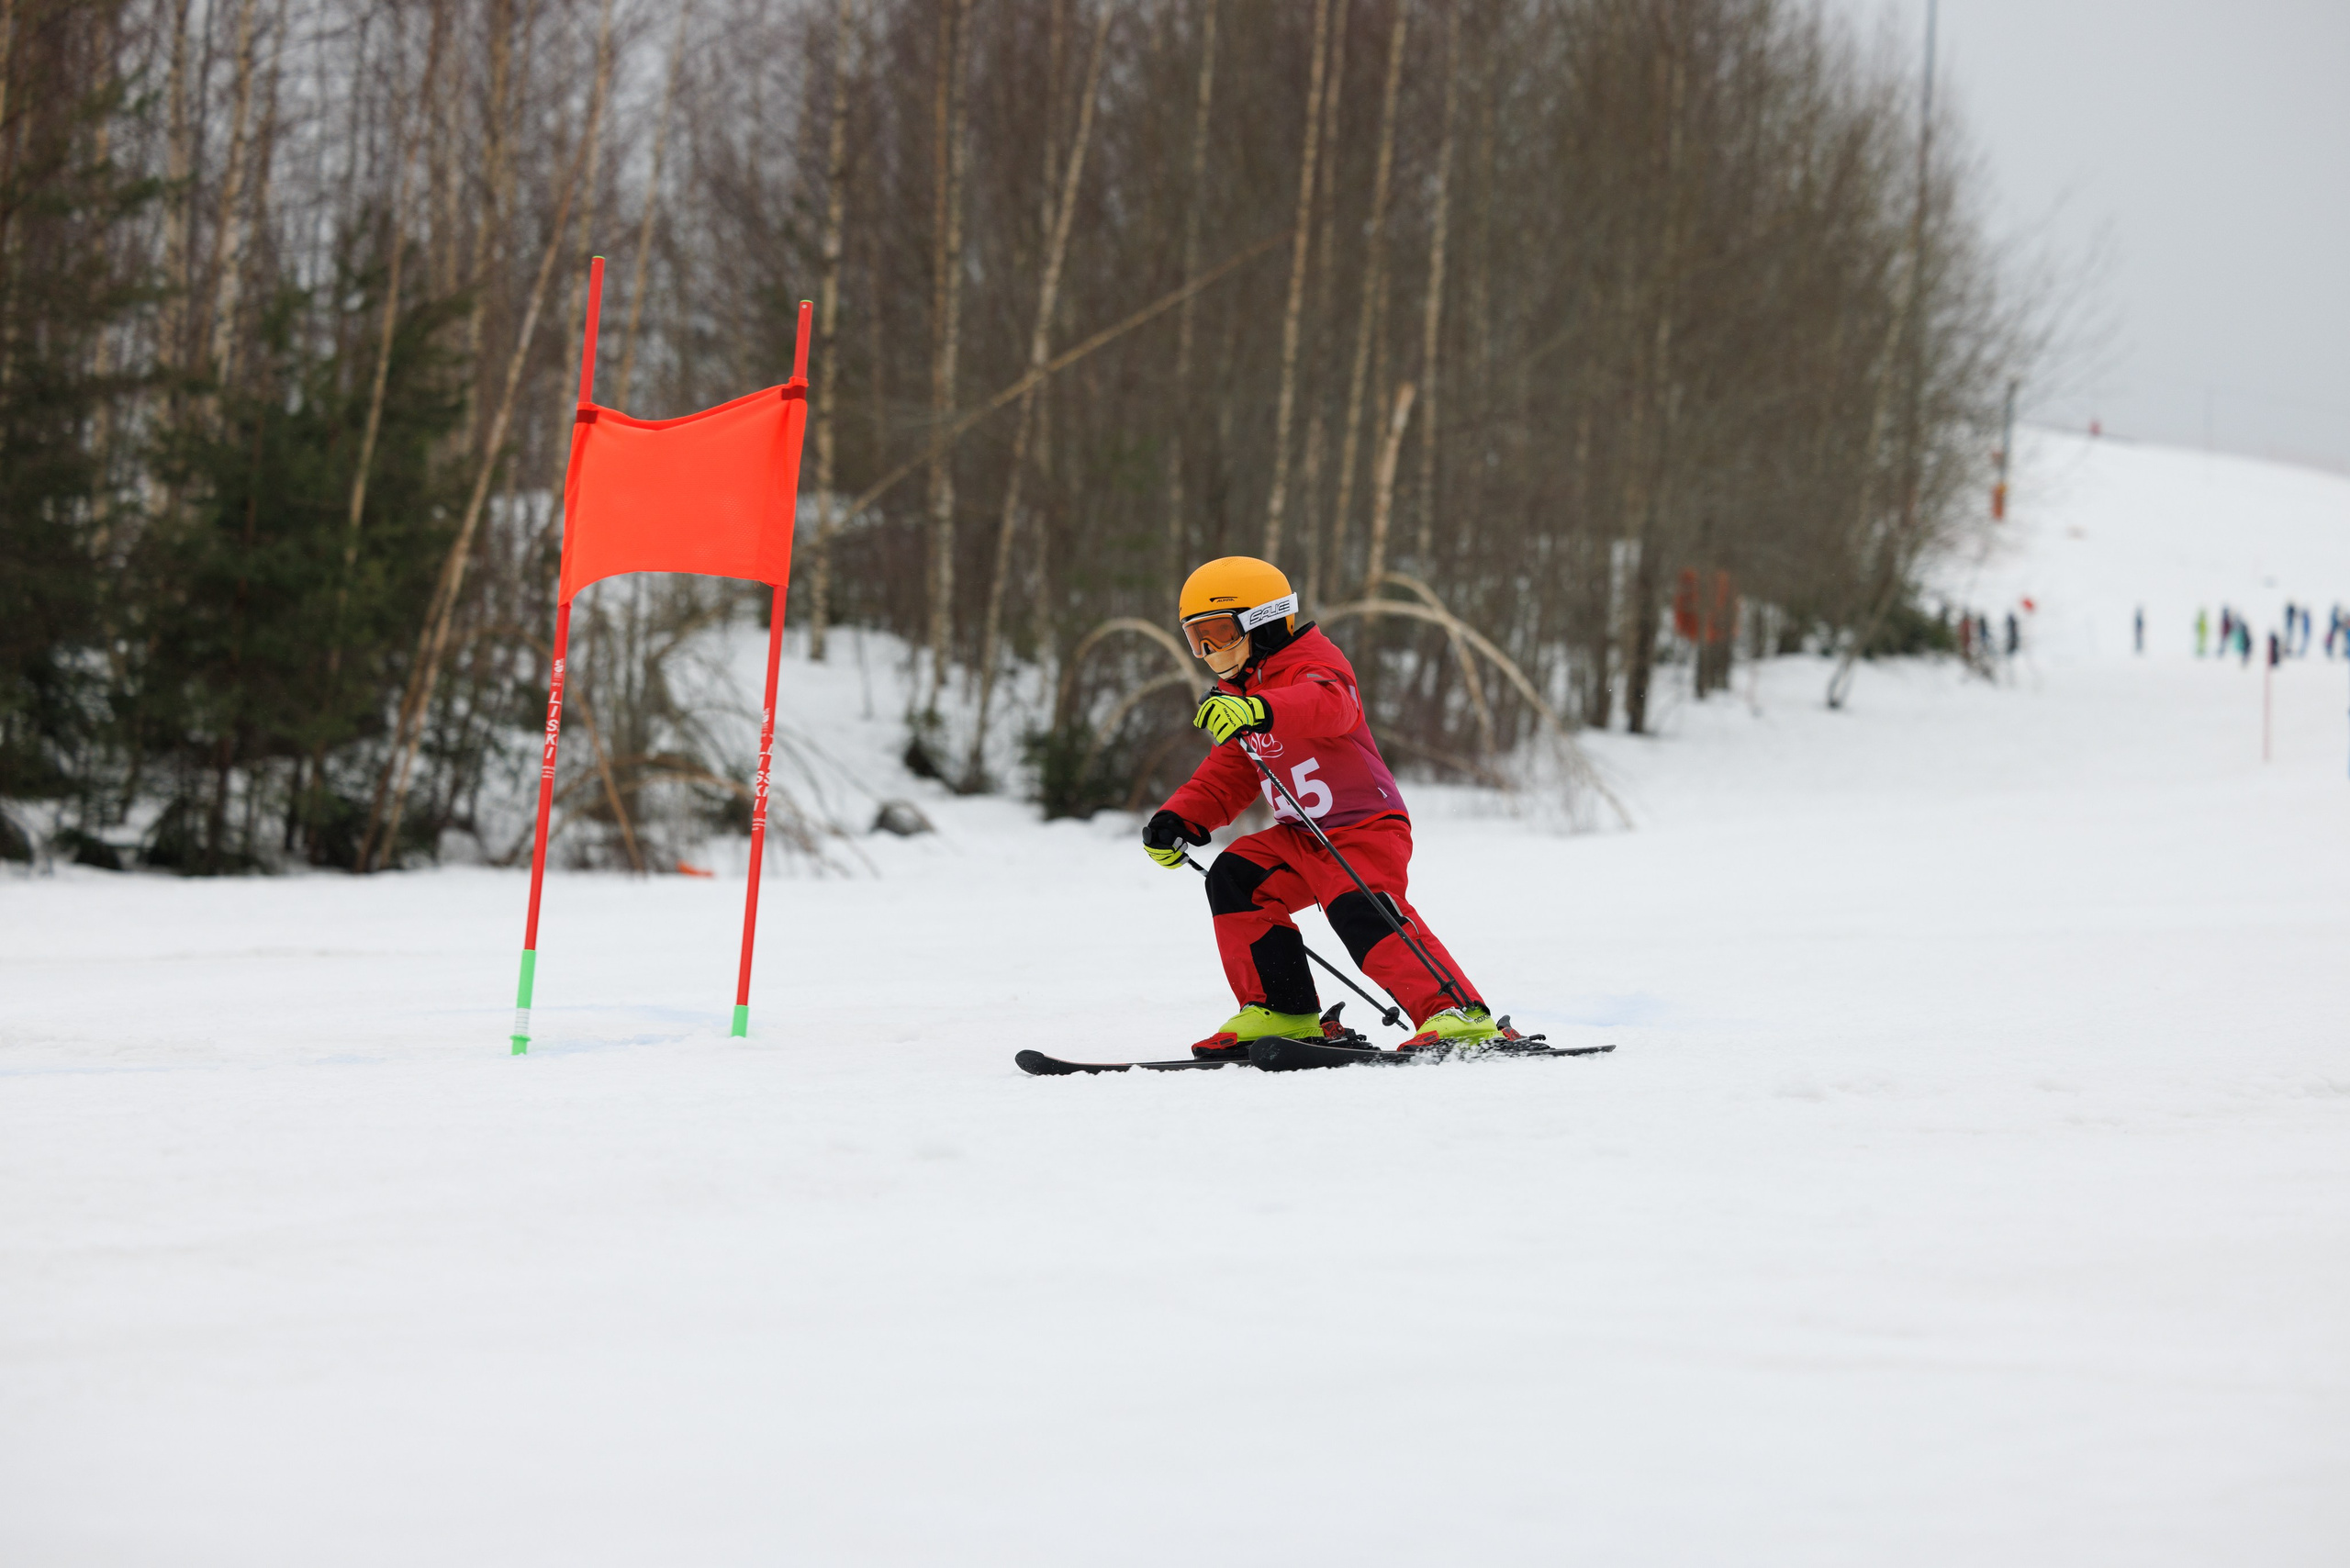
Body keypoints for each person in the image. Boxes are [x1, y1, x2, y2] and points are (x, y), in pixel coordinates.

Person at [1140, 555, 1501, 1058]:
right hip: (1301, 837)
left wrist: (1261, 710)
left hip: (1363, 826)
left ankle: (1457, 1013)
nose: (1207, 651)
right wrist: (1179, 818)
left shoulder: (1314, 662)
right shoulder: (1239, 691)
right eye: (1196, 638)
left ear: (1261, 621)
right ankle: (1284, 1009)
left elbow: (1333, 704)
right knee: (1235, 877)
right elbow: (1232, 769)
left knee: (1361, 910)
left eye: (1219, 634)